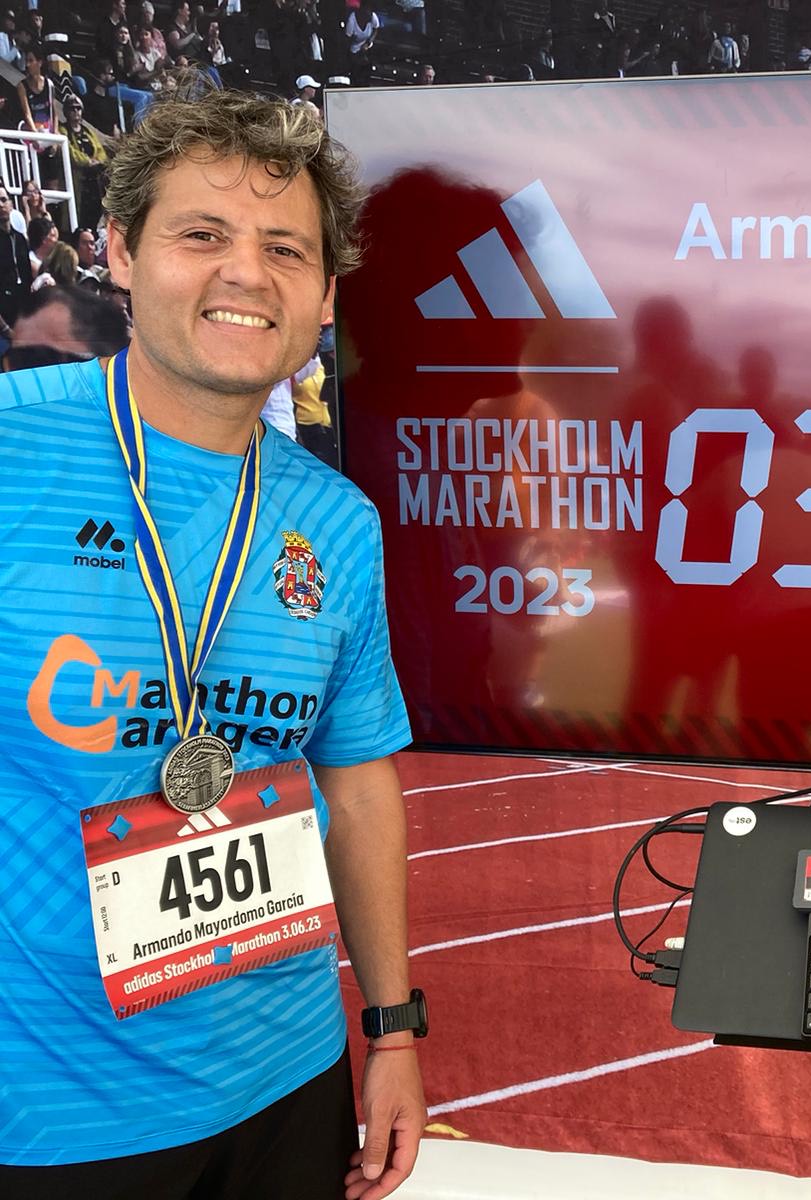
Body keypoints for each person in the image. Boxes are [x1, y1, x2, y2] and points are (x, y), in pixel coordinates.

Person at [0, 84, 423, 1199]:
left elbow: (357, 781)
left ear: (324, 295)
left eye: (286, 248)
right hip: (45, 1113)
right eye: (202, 234)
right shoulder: (13, 449)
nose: (247, 272)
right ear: (120, 252)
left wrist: (393, 1031)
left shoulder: (337, 522)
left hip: (286, 1077)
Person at [62, 93, 111, 230]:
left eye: (78, 108)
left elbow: (100, 150)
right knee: (77, 213)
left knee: (95, 210)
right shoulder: (63, 129)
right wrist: (87, 161)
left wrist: (98, 160)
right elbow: (70, 151)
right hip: (77, 178)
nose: (76, 111)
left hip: (93, 181)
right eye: (72, 108)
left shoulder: (87, 131)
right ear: (66, 112)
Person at [0, 189, 31, 347]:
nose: (1, 205)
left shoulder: (20, 239)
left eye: (3, 200)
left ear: (11, 204)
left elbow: (27, 277)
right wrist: (6, 329)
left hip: (23, 321)